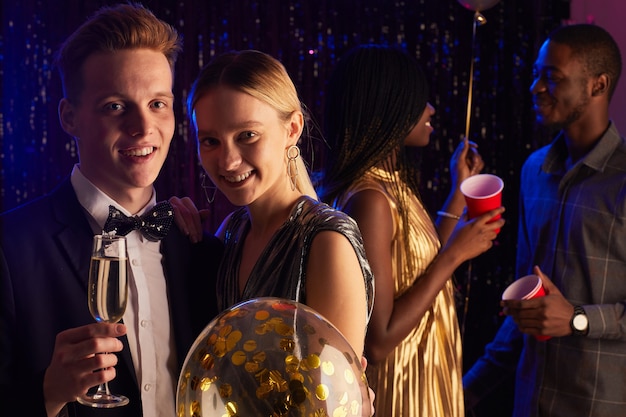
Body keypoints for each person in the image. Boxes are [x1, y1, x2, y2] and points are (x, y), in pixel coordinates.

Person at [0, 4, 222, 417]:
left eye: (158, 103)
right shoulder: (10, 250)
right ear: (69, 117)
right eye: (115, 106)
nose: (143, 127)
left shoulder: (202, 249)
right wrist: (47, 393)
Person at [317, 44, 505, 417]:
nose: (431, 110)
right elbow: (380, 340)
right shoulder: (370, 199)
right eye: (421, 101)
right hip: (402, 388)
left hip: (426, 368)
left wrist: (457, 194)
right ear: (391, 108)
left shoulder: (391, 185)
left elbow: (413, 266)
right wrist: (456, 255)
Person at [463, 23, 626, 416]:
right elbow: (525, 307)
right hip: (528, 402)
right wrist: (462, 393)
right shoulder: (535, 170)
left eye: (551, 78)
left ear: (598, 85)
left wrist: (579, 319)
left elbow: (570, 317)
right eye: (537, 74)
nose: (536, 87)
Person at [179, 48, 374, 363]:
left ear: (292, 129)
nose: (228, 162)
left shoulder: (326, 241)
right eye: (211, 141)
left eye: (247, 135)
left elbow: (340, 402)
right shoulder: (231, 231)